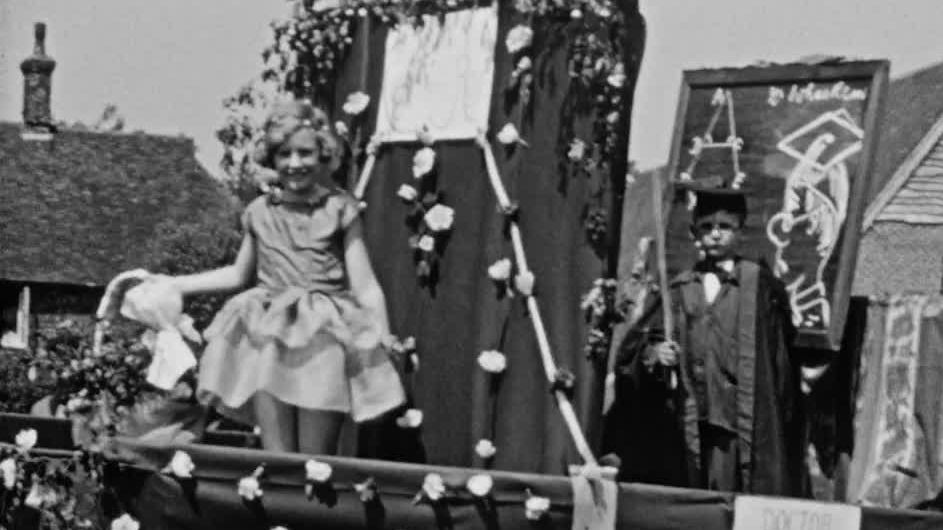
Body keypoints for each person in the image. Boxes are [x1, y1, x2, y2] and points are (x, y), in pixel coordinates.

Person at [163, 100, 405, 454]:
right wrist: (175, 283)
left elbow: (365, 285)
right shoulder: (260, 212)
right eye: (284, 154)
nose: (294, 163)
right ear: (272, 158)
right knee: (277, 456)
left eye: (305, 153)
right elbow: (238, 274)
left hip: (321, 336)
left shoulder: (339, 210)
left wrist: (382, 335)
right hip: (269, 335)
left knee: (314, 459)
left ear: (323, 154)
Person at [602, 179, 805, 496]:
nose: (715, 234)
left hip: (742, 422)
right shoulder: (679, 288)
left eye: (725, 226)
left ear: (741, 232)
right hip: (690, 422)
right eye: (707, 226)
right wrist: (655, 354)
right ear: (694, 233)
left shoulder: (761, 287)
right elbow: (637, 347)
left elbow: (780, 361)